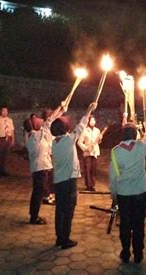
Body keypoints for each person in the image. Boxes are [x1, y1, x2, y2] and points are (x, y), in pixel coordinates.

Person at [51, 102, 96, 249]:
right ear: (63, 129)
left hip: (58, 182)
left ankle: (60, 237)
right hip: (68, 182)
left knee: (60, 210)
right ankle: (65, 239)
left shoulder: (55, 142)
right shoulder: (68, 141)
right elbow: (81, 125)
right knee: (68, 209)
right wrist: (89, 110)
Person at [109, 120, 146, 264]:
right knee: (139, 224)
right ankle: (138, 253)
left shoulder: (115, 151)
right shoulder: (141, 147)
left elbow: (113, 175)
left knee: (125, 224)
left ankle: (125, 252)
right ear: (135, 135)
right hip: (141, 192)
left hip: (124, 193)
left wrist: (114, 193)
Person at [26, 103, 65, 225]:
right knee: (38, 192)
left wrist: (61, 110)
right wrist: (60, 107)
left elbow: (50, 122)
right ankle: (34, 217)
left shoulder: (37, 136)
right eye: (36, 119)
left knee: (38, 191)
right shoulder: (36, 136)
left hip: (42, 167)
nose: (39, 119)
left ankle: (34, 215)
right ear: (34, 125)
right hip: (40, 168)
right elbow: (49, 121)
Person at [77, 115, 103, 191]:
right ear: (88, 121)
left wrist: (100, 139)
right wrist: (85, 148)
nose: (93, 121)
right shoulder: (85, 130)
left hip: (94, 152)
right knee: (87, 169)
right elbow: (79, 142)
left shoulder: (97, 130)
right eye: (91, 120)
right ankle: (88, 185)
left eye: (94, 120)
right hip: (87, 153)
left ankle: (93, 185)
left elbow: (98, 142)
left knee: (93, 169)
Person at [0, 106, 15, 177]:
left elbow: (12, 130)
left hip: (8, 138)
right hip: (0, 138)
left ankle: (2, 170)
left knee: (5, 155)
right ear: (0, 112)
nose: (5, 112)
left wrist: (13, 139)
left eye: (6, 111)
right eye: (3, 111)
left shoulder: (10, 120)